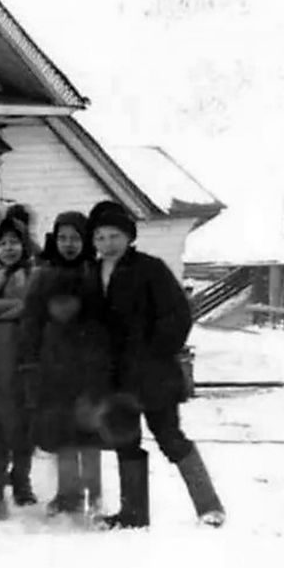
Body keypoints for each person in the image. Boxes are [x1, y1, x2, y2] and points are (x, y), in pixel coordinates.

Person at [88, 199, 225, 528]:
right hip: (115, 378)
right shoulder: (91, 273)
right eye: (101, 237)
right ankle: (133, 513)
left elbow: (178, 315)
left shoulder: (150, 269)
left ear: (129, 236)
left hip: (153, 374)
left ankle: (209, 505)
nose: (108, 243)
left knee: (169, 436)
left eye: (114, 236)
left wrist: (154, 351)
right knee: (125, 440)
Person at [27, 267, 116, 515]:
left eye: (68, 301)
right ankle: (68, 493)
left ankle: (94, 494)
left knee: (89, 449)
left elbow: (100, 364)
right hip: (57, 400)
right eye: (56, 302)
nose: (61, 307)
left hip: (87, 398)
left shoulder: (92, 330)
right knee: (65, 447)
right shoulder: (49, 330)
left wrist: (95, 394)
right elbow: (44, 365)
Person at [0, 211, 37, 506]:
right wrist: (16, 306)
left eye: (14, 242)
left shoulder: (33, 274)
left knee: (23, 424)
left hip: (24, 358)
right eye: (3, 244)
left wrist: (4, 311)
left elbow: (34, 307)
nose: (8, 248)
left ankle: (22, 480)